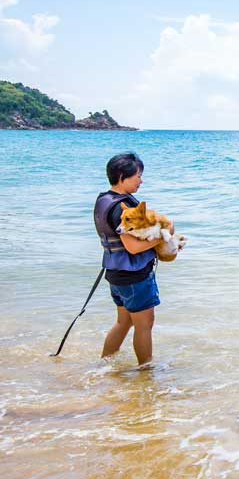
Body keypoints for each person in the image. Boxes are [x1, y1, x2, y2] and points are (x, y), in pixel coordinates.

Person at [94, 152, 171, 366]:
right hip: (134, 275)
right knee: (144, 324)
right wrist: (162, 239)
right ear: (122, 176)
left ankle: (105, 365)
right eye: (138, 175)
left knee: (124, 321)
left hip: (116, 274)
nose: (141, 180)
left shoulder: (103, 200)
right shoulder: (121, 207)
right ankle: (146, 373)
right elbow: (133, 247)